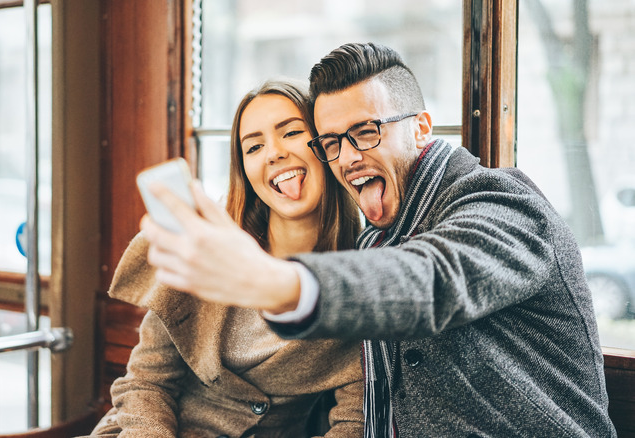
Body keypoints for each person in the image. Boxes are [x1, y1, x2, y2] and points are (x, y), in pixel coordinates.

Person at [139, 43, 617, 437]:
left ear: (421, 128)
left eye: (365, 132)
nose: (347, 158)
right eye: (331, 142)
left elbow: (434, 277)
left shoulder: (502, 200)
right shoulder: (373, 242)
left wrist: (273, 281)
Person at [89, 79, 365, 437]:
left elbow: (354, 425)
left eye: (291, 132)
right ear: (245, 170)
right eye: (254, 147)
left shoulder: (359, 283)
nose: (274, 153)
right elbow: (146, 382)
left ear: (327, 145)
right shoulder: (208, 248)